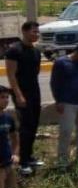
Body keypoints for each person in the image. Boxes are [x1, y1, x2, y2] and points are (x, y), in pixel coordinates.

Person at [4, 21, 42, 176]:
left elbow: (36, 73)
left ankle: (29, 156)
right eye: (34, 32)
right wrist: (18, 94)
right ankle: (22, 161)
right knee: (25, 127)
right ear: (24, 32)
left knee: (33, 124)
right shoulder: (14, 50)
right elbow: (11, 75)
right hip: (21, 92)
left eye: (37, 32)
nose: (36, 34)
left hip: (35, 91)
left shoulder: (36, 51)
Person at [0, 86, 19, 188]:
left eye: (7, 97)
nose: (5, 100)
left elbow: (14, 138)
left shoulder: (8, 118)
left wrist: (15, 154)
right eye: (2, 97)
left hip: (8, 165)